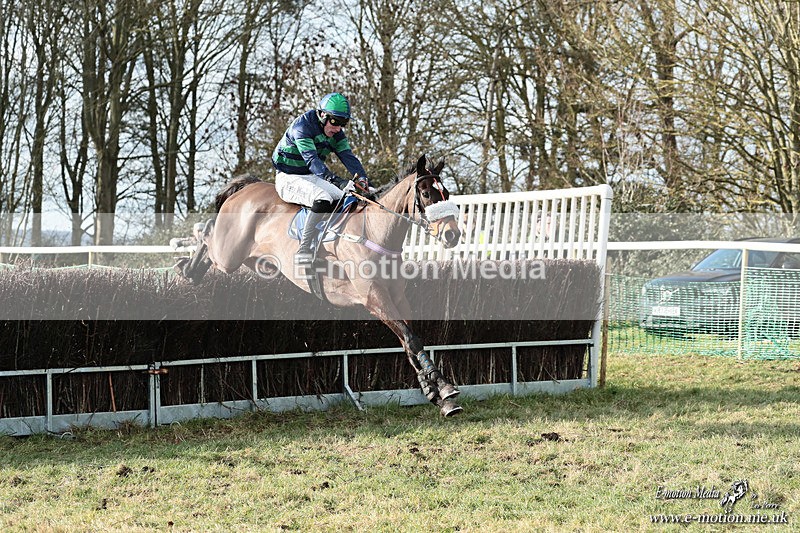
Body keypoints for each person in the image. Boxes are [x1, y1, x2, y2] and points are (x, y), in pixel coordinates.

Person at [272, 92, 372, 265]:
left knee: (346, 197)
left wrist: (363, 179)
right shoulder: (302, 127)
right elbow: (312, 161)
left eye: (343, 123)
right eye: (334, 121)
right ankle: (304, 250)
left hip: (310, 176)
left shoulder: (336, 134)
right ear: (322, 115)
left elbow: (347, 156)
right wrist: (337, 181)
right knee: (322, 198)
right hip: (288, 177)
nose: (338, 128)